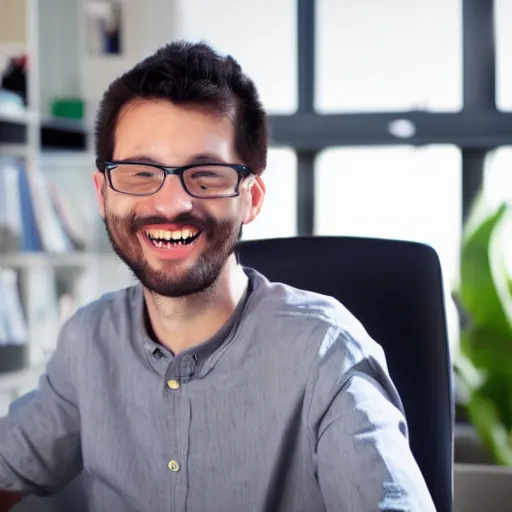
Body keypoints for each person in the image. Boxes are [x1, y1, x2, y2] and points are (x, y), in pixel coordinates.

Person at [0, 41, 436, 511]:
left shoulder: (326, 355)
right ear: (103, 194)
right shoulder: (88, 341)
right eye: (140, 174)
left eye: (206, 176)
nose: (170, 204)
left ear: (252, 197)